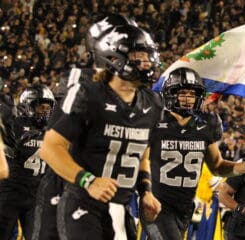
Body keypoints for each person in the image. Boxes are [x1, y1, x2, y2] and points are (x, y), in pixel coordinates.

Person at [39, 23, 163, 239]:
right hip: (83, 201)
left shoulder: (153, 103)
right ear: (114, 57)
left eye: (148, 56)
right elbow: (50, 148)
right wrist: (89, 181)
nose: (146, 63)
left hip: (122, 207)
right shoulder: (90, 94)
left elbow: (142, 153)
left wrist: (146, 191)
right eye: (138, 56)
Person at [141, 67, 245, 240]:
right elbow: (140, 161)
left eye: (192, 94)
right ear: (170, 93)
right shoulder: (155, 121)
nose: (188, 98)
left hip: (185, 207)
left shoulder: (205, 126)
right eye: (183, 93)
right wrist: (145, 192)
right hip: (158, 205)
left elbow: (218, 167)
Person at [0, 84, 55, 239]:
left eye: (47, 108)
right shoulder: (14, 124)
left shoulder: (53, 129)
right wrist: (11, 146)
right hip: (10, 192)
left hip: (36, 196)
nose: (45, 111)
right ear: (27, 106)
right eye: (40, 107)